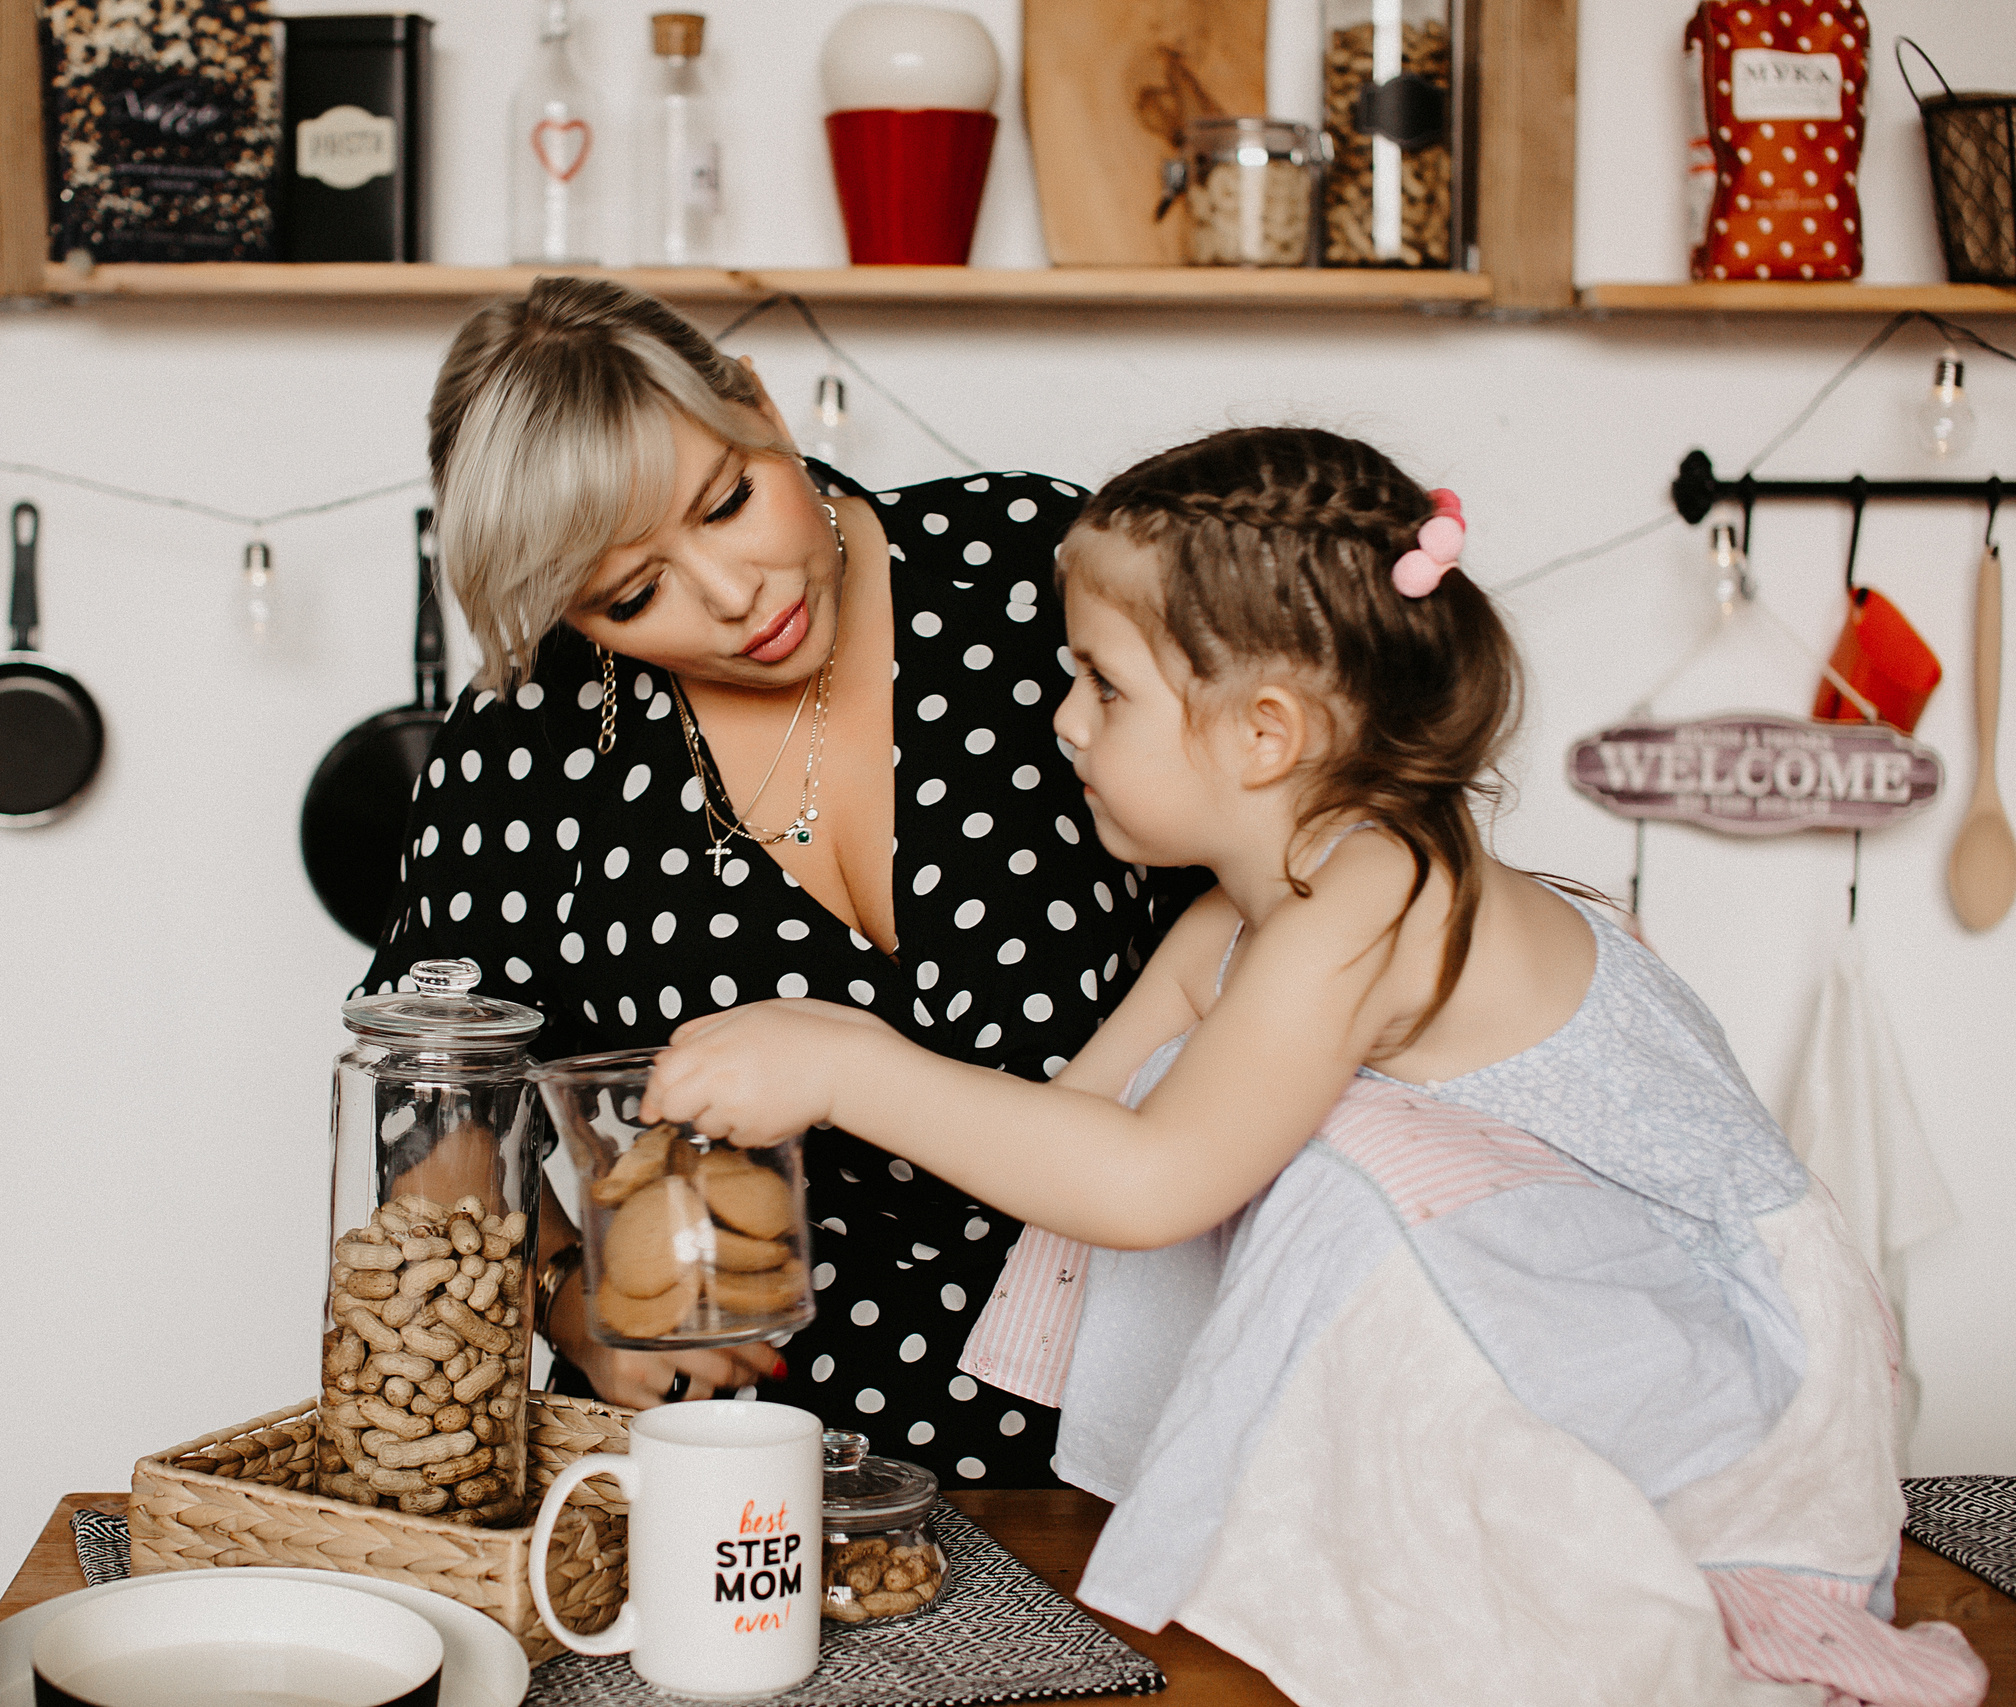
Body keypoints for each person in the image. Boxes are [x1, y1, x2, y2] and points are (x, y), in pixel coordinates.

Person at [651, 428, 1983, 1705]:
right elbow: (1069, 1138)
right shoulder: (1234, 920)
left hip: (1722, 1379)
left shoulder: (1380, 887)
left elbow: (1152, 1181)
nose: (1061, 720)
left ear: (1265, 733)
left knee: (1336, 1167)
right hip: (1572, 1336)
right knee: (1266, 1130)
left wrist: (852, 1064)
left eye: (1104, 685)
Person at [352, 276, 1208, 1484]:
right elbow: (434, 1097)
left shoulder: (1034, 572)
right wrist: (566, 1302)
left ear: (756, 402)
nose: (731, 595)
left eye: (729, 502)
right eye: (632, 595)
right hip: (738, 1448)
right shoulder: (526, 740)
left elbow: (1272, 871)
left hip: (1137, 1398)